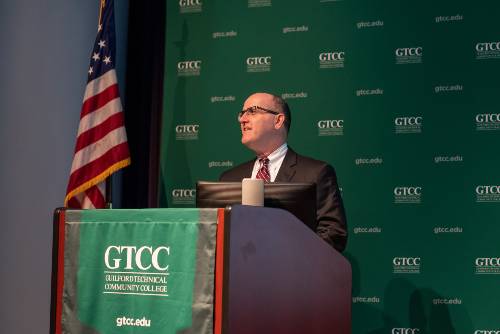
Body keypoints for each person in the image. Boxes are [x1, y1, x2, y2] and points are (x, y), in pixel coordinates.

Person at [219, 92, 348, 252]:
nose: (242, 119)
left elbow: (334, 234)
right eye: (242, 113)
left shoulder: (316, 173)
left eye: (252, 111)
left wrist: (290, 259)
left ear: (278, 121)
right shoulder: (229, 178)